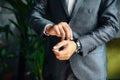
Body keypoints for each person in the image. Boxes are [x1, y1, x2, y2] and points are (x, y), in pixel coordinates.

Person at [28, 0, 119, 80]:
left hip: (91, 69)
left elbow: (112, 26)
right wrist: (48, 27)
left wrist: (78, 45)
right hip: (55, 66)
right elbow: (34, 15)